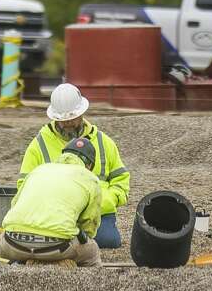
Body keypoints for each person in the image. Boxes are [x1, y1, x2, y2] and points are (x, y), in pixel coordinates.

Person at [18, 84, 129, 249]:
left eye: (72, 117)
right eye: (63, 120)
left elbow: (121, 180)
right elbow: (23, 185)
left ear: (82, 113)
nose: (68, 122)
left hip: (98, 213)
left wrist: (106, 200)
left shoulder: (104, 142)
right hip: (55, 215)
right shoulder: (38, 146)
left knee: (108, 242)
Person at [0, 136, 102, 267]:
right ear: (89, 165)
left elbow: (14, 204)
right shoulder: (90, 178)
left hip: (10, 245)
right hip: (57, 248)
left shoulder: (39, 170)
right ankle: (57, 264)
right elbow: (89, 224)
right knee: (92, 251)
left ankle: (25, 261)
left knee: (5, 241)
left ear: (63, 155)